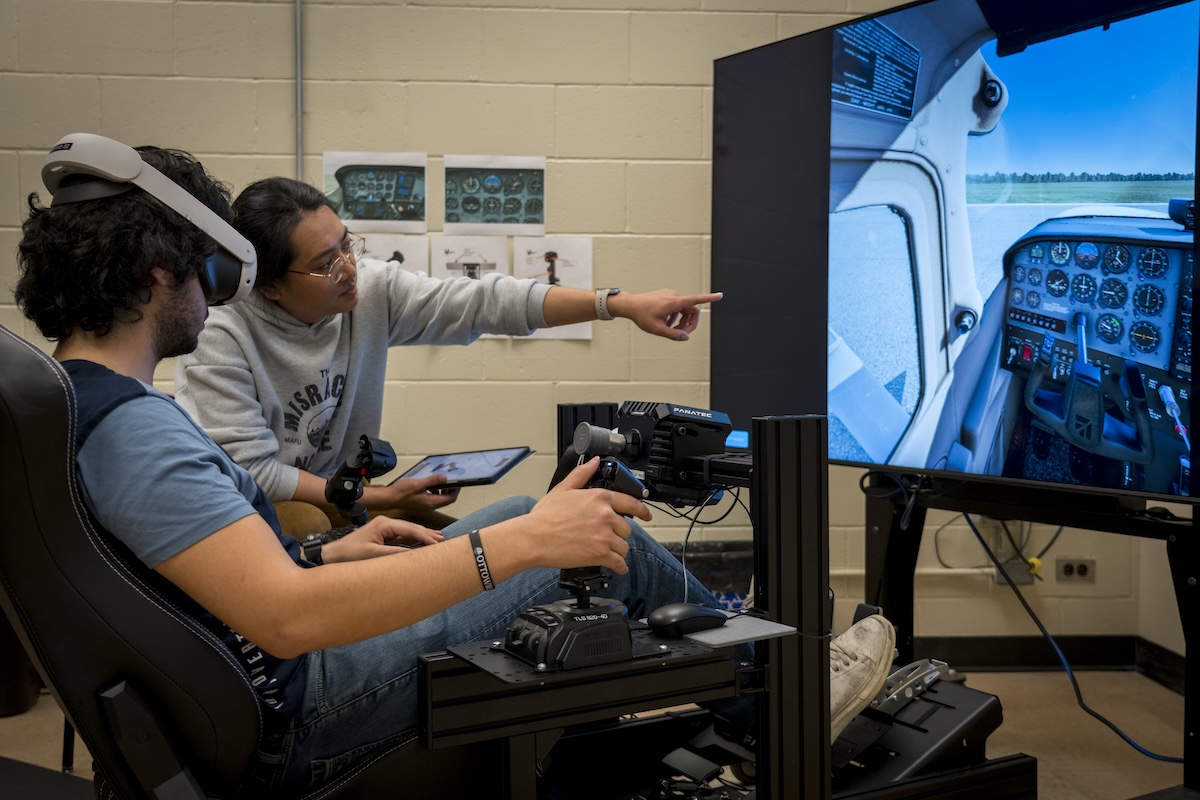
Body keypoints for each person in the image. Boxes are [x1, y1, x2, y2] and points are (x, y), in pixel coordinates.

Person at [14, 135, 896, 797]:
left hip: (256, 680)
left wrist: (325, 552)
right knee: (562, 539)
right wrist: (513, 553)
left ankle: (753, 695)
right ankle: (787, 698)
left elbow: (196, 577)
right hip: (301, 710)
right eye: (209, 274)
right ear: (166, 273)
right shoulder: (138, 430)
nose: (214, 295)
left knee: (523, 513)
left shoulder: (79, 402)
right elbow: (283, 622)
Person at [174, 176, 724, 536]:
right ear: (267, 285)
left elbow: (487, 303)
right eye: (326, 263)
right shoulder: (221, 333)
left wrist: (618, 305)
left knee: (454, 540)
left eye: (347, 244)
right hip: (251, 519)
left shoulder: (369, 291)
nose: (348, 267)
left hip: (342, 499)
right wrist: (378, 497)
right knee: (304, 519)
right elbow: (250, 472)